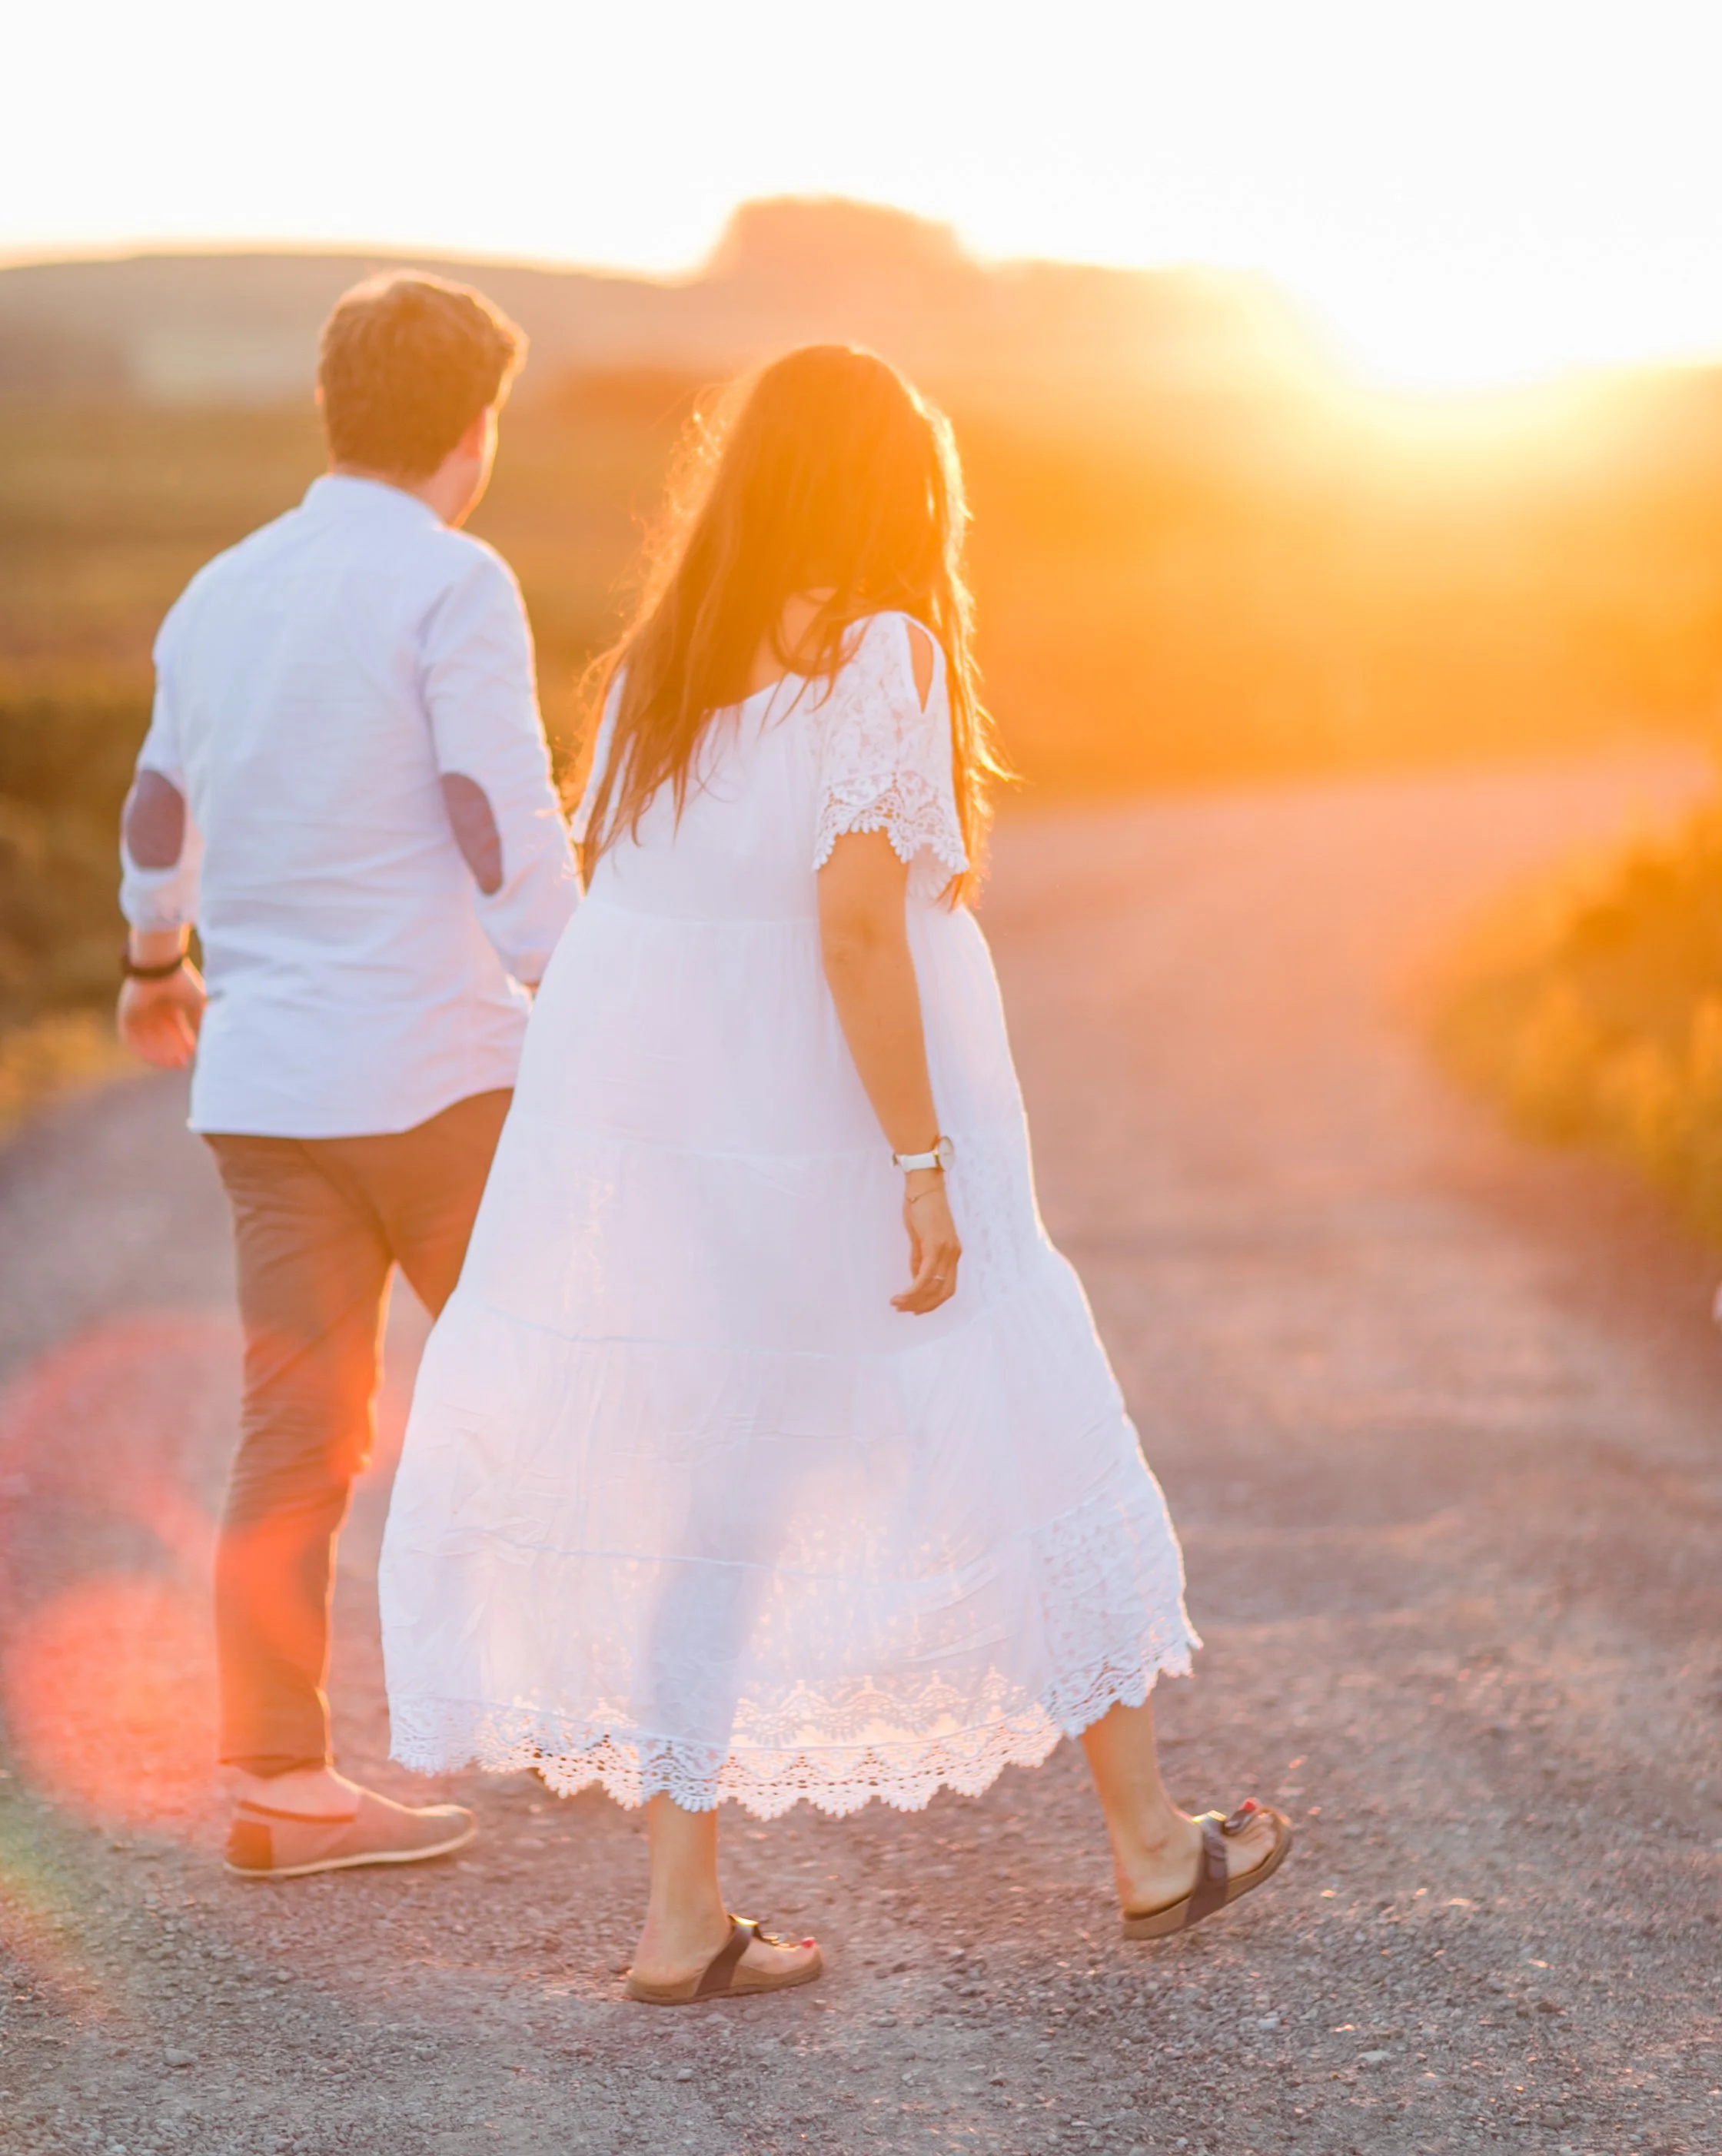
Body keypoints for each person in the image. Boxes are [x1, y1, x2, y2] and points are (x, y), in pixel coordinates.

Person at [379, 344, 1290, 1998]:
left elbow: (630, 913)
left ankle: (678, 1920)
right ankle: (1154, 1846)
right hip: (839, 1127)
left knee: (705, 1491)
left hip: (687, 1139)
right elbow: (857, 933)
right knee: (1026, 1422)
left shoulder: (664, 670)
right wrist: (921, 1164)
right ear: (890, 490)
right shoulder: (883, 652)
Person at [118, 271, 577, 1880]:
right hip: (444, 1073)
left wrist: (151, 960)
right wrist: (575, 981)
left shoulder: (221, 591)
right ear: (476, 427)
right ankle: (602, 1718)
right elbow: (487, 803)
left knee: (292, 1435)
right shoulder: (453, 583)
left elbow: (161, 799)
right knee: (562, 1378)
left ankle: (281, 1784)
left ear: (333, 409)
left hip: (268, 1086)